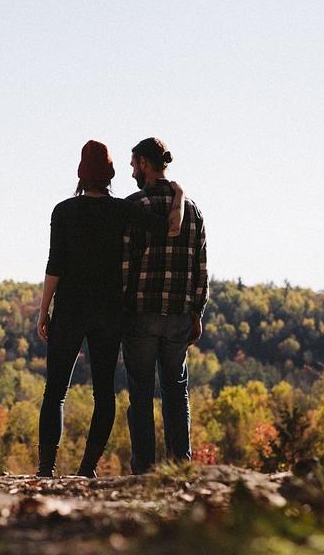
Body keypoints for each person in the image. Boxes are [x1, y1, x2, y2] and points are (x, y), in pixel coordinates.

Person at [36, 140, 184, 478]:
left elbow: (54, 265)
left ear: (81, 174)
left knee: (55, 391)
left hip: (70, 310)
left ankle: (46, 470)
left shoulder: (63, 211)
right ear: (110, 175)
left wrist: (43, 311)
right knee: (104, 393)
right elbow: (170, 228)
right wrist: (179, 194)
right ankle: (87, 469)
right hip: (109, 312)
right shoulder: (122, 210)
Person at [121, 137, 208, 474]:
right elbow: (201, 266)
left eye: (133, 164)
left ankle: (144, 469)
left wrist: (121, 308)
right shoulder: (192, 210)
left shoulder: (134, 206)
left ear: (144, 163)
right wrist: (197, 312)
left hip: (141, 312)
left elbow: (124, 264)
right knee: (176, 391)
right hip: (178, 314)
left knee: (141, 393)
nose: (132, 171)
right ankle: (179, 466)